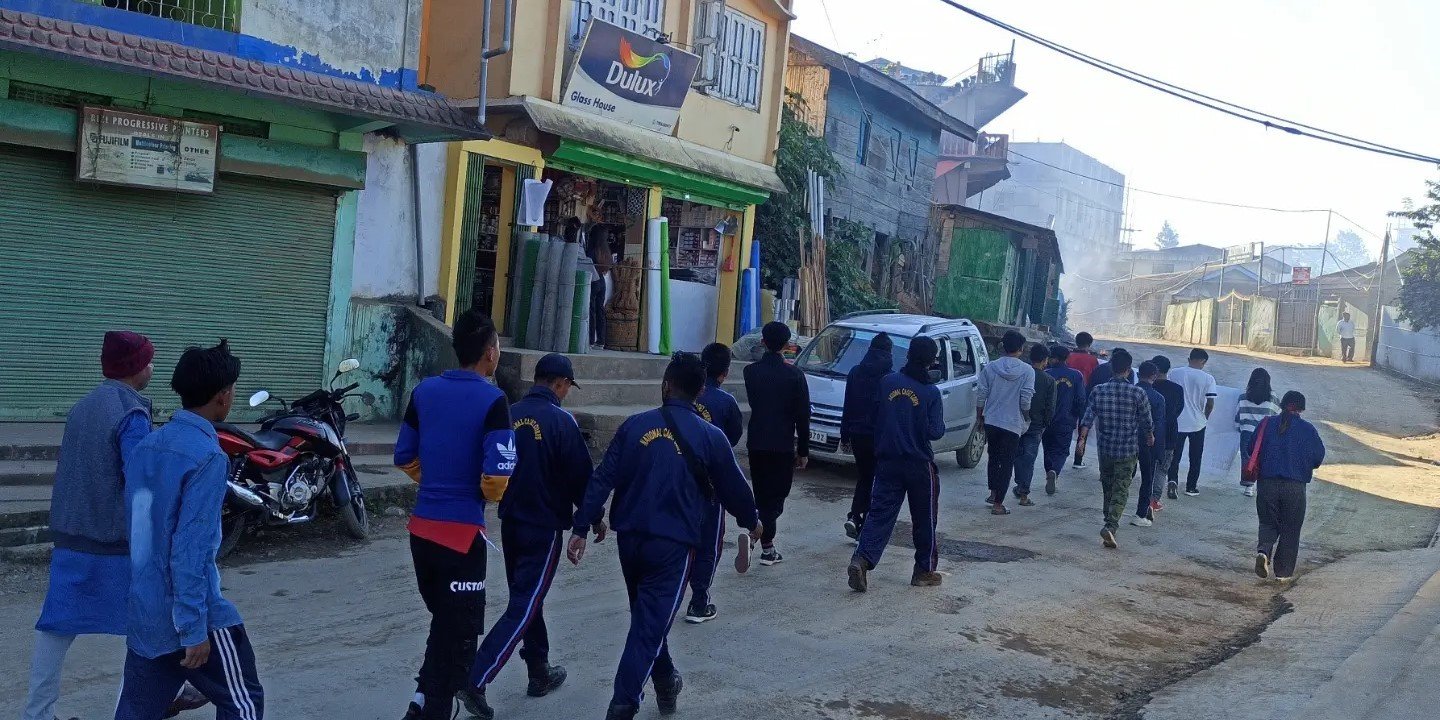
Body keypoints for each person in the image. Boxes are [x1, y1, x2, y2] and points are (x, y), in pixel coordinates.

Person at [24, 332, 208, 720]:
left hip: (72, 534)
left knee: (56, 626)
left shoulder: (83, 406)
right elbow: (141, 480)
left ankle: (37, 713)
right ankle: (151, 701)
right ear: (135, 368)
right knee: (148, 624)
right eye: (148, 361)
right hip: (116, 541)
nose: (152, 368)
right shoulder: (131, 413)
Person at [569, 353, 762, 720]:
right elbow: (735, 489)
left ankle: (666, 681)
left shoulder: (634, 426)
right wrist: (752, 522)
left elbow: (603, 477)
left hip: (630, 541)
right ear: (700, 392)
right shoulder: (711, 437)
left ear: (666, 385)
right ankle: (622, 706)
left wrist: (581, 527)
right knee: (647, 628)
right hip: (673, 547)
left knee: (647, 620)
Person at [116, 340, 264, 720]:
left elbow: (141, 537)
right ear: (223, 396)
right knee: (244, 701)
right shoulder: (208, 457)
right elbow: (190, 551)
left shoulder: (147, 446)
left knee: (137, 710)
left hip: (147, 613)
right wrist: (193, 628)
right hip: (192, 616)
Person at [393, 311, 516, 720]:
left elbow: (403, 455)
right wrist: (474, 492)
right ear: (490, 353)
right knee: (458, 637)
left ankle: (420, 703)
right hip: (461, 538)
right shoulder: (494, 401)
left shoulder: (424, 391)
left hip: (421, 533)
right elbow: (496, 479)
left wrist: (434, 481)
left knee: (444, 623)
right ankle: (433, 709)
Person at [464, 354, 592, 719]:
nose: (566, 393)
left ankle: (539, 670)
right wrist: (590, 520)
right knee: (523, 604)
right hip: (544, 525)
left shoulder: (508, 413)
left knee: (528, 597)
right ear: (560, 384)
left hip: (512, 521)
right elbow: (582, 477)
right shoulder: (562, 421)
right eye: (567, 387)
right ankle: (474, 678)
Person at [847, 337, 945, 591]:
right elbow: (936, 431)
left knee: (879, 514)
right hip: (918, 464)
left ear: (908, 354)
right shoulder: (931, 392)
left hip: (887, 461)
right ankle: (923, 570)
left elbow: (874, 416)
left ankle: (861, 559)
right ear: (931, 361)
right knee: (925, 518)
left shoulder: (887, 382)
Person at [685, 342, 745, 624]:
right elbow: (732, 437)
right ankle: (698, 601)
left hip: (678, 476)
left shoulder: (684, 393)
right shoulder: (726, 402)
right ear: (725, 373)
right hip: (711, 481)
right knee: (709, 542)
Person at [742, 321, 810, 565]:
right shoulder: (795, 376)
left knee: (761, 495)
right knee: (777, 499)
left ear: (763, 342)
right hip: (782, 444)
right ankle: (755, 534)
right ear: (787, 345)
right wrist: (803, 450)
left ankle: (767, 548)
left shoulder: (750, 372)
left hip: (757, 441)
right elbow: (803, 416)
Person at [1077, 350, 1154, 549]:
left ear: (1111, 368)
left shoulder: (1098, 390)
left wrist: (1081, 440)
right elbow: (1147, 421)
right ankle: (1111, 525)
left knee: (1108, 485)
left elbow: (1087, 418)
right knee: (1121, 488)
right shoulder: (1138, 393)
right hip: (1127, 449)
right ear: (1128, 370)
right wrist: (1150, 436)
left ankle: (1107, 520)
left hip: (1106, 448)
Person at [1253, 391, 1325, 582]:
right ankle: (1283, 573)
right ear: (1301, 409)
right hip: (1294, 486)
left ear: (1282, 404)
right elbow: (1318, 458)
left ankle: (1264, 551)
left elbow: (1251, 448)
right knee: (1291, 528)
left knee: (1267, 522)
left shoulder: (1266, 424)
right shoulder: (1308, 430)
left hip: (1267, 483)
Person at [839, 332, 894, 539]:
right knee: (877, 480)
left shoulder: (855, 372)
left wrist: (844, 435)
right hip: (879, 437)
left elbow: (848, 405)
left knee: (864, 476)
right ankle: (864, 523)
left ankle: (855, 516)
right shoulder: (890, 378)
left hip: (857, 434)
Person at [976, 330, 1035, 515]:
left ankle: (993, 493)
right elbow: (1025, 400)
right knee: (1007, 462)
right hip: (1012, 423)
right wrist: (1027, 417)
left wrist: (979, 417)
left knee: (993, 457)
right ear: (1021, 349)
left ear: (1003, 346)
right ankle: (998, 504)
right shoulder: (1028, 371)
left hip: (992, 420)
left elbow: (981, 395)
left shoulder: (990, 367)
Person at [1166, 348, 1217, 498]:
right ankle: (1191, 487)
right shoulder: (1208, 378)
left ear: (1189, 359)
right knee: (1195, 456)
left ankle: (1172, 481)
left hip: (1178, 421)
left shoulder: (1174, 373)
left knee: (1174, 455)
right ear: (1204, 362)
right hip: (1197, 422)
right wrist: (1205, 417)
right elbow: (1210, 403)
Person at [1012, 344, 1056, 506]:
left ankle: (1019, 484)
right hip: (1036, 425)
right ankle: (1024, 494)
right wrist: (1046, 423)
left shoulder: (1021, 374)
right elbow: (1050, 407)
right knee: (1029, 458)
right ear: (1045, 360)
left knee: (1017, 456)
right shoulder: (1049, 380)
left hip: (1016, 421)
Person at [1041, 345, 1087, 496]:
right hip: (1067, 420)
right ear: (1067, 358)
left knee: (1048, 448)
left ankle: (1049, 471)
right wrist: (1078, 417)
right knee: (1061, 450)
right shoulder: (1076, 375)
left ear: (1052, 358)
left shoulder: (1046, 374)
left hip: (1047, 420)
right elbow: (1081, 399)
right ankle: (1055, 471)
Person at [1131, 362, 1168, 528]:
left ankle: (1114, 509)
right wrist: (1159, 451)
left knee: (1124, 476)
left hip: (1127, 440)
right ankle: (1141, 512)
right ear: (1154, 376)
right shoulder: (1158, 398)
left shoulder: (1130, 392)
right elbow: (1159, 425)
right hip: (1148, 442)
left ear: (1138, 374)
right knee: (1147, 479)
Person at [1235, 368, 1281, 498]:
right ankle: (1261, 484)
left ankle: (1249, 486)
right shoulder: (1273, 398)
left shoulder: (1243, 397)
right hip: (1265, 432)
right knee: (1264, 458)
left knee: (1248, 458)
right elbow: (1277, 415)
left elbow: (1238, 416)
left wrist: (1239, 428)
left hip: (1247, 432)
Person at [1149, 355, 1185, 512]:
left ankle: (1145, 497)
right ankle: (1154, 500)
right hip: (1169, 433)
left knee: (1147, 467)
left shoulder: (1148, 388)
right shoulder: (1177, 389)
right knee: (1162, 469)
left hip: (1147, 432)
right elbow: (1179, 410)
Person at [588, 225, 613, 348]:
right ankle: (601, 340)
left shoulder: (592, 250)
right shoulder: (605, 251)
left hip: (593, 280)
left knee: (591, 310)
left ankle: (590, 339)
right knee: (600, 311)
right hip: (602, 281)